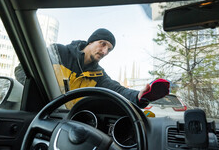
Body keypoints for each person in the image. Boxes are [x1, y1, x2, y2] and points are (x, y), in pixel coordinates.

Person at [15, 28, 162, 109]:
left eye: (109, 49)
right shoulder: (58, 53)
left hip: (70, 121)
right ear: (90, 42)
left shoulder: (99, 75)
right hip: (40, 115)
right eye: (102, 44)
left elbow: (118, 90)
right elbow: (22, 70)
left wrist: (140, 96)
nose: (105, 52)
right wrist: (39, 96)